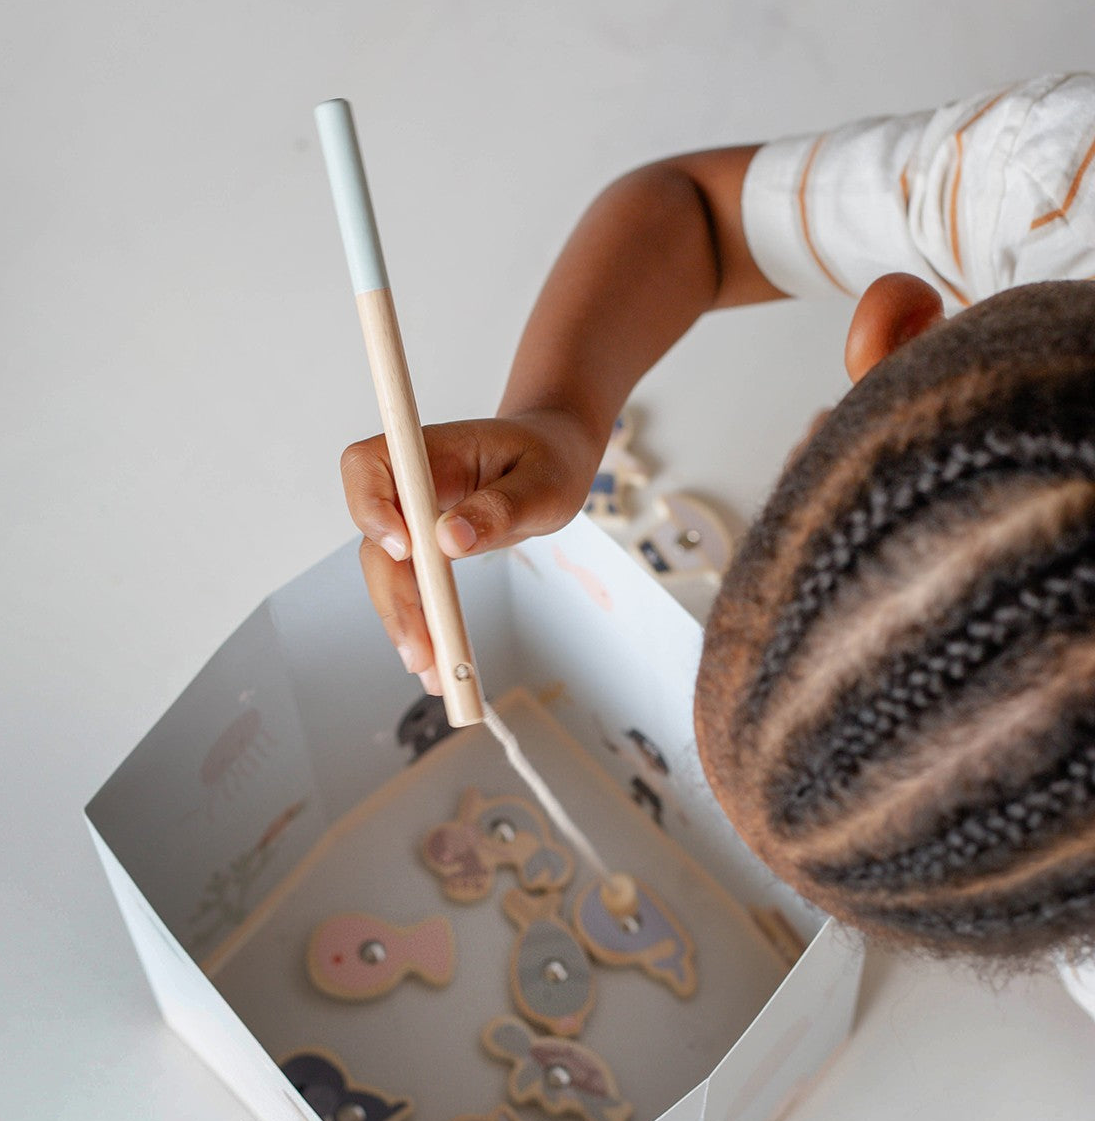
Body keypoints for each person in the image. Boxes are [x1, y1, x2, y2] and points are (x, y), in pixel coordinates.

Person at [339, 74, 1095, 996]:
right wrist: (560, 417)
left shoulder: (1036, 186)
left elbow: (702, 208)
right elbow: (689, 213)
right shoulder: (1038, 178)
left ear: (893, 337)